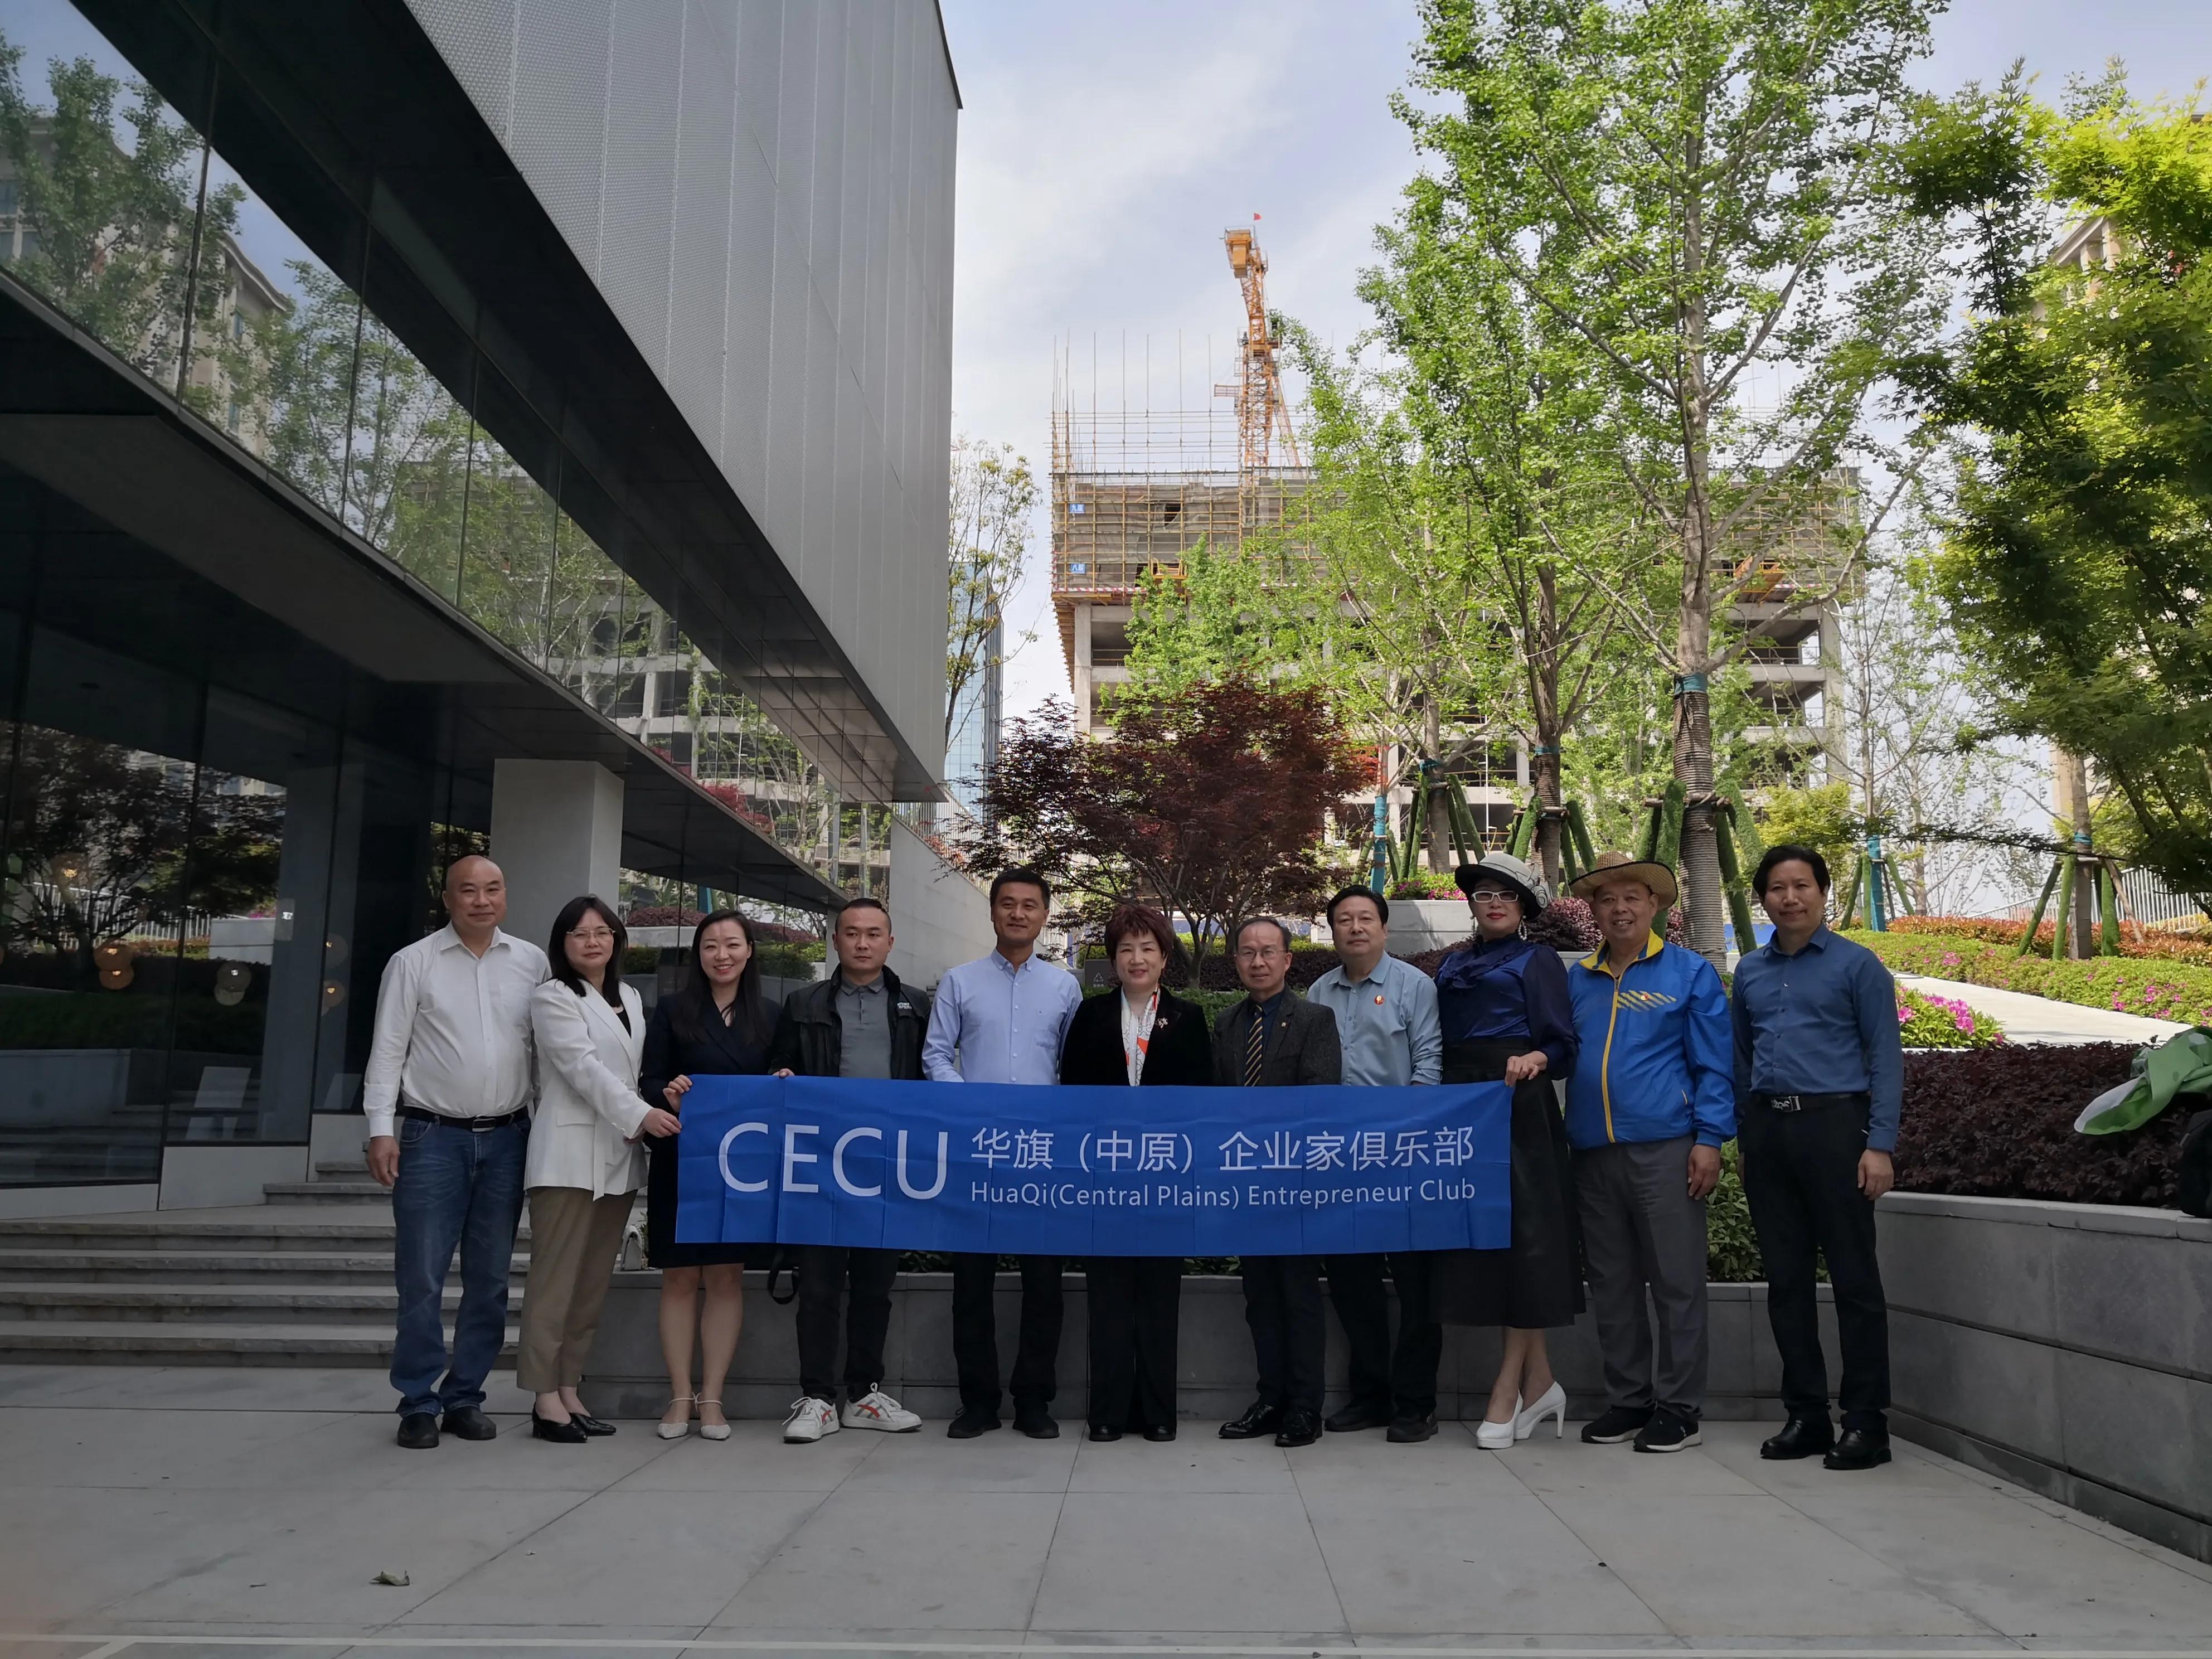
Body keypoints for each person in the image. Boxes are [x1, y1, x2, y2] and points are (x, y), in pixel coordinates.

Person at [364, 855, 549, 1449]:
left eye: (492, 889)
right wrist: (381, 1127)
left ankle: (465, 1396)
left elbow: (541, 1055)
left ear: (505, 895)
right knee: (420, 1276)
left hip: (509, 1137)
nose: (481, 900)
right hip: (432, 1137)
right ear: (448, 899)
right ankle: (418, 1401)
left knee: (490, 1279)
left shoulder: (532, 962)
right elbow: (387, 1050)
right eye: (468, 891)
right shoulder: (412, 962)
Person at [1733, 844, 1904, 1472]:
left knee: (1854, 1281)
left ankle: (1866, 1422)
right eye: (1776, 888)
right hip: (1769, 1134)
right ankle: (1806, 1415)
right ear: (1763, 899)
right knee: (1786, 1283)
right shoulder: (1749, 971)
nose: (1789, 898)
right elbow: (1741, 1059)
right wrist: (1745, 1138)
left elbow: (1885, 1058)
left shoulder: (1858, 966)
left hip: (1836, 1129)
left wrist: (1878, 1144)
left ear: (1823, 892)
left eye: (1801, 885)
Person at [1563, 851, 1734, 1454]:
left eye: (1632, 897)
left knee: (1675, 1282)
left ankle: (1680, 1409)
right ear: (1593, 910)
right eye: (1607, 899)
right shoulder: (1576, 979)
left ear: (1655, 905)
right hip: (1592, 1153)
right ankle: (1628, 1400)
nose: (1620, 909)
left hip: (1666, 1149)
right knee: (1611, 1284)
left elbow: (1715, 1064)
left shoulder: (1689, 973)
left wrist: (1709, 1140)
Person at [1428, 853, 1583, 1452]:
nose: (1494, 903)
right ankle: (1541, 1383)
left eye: (1507, 895)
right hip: (1461, 1106)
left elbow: (1562, 1044)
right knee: (1488, 1244)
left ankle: (1507, 1387)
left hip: (1517, 1104)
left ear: (1523, 907)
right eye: (1484, 894)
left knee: (1526, 1244)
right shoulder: (1451, 963)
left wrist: (1534, 1058)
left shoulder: (1537, 960)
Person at [923, 866, 1084, 1439]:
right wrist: (972, 1108)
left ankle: (1034, 1401)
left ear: (1044, 915)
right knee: (972, 1285)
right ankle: (979, 1403)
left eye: (1029, 905)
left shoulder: (1064, 987)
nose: (1018, 913)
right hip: (978, 1152)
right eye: (1008, 903)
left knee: (1043, 1284)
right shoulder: (959, 982)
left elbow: (1072, 1067)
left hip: (1041, 1154)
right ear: (992, 911)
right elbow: (936, 1056)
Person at [768, 896, 933, 1444]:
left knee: (874, 1287)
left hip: (887, 1166)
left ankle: (864, 1393)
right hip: (820, 1166)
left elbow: (928, 1080)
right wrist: (781, 1076)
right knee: (817, 1285)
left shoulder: (914, 1006)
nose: (862, 943)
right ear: (835, 940)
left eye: (873, 934)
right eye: (852, 933)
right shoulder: (802, 1003)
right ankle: (817, 1399)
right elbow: (777, 1069)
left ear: (890, 942)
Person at [518, 896, 680, 1443]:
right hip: (566, 1161)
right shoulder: (552, 997)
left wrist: (653, 1104)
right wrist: (642, 1115)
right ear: (562, 944)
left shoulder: (629, 996)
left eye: (602, 932)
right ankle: (543, 1396)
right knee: (554, 1282)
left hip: (616, 1157)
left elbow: (632, 1073)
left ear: (616, 939)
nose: (592, 942)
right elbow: (582, 1069)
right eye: (579, 934)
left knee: (589, 1285)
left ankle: (569, 1388)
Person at [1058, 903, 1213, 1443]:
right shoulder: (1091, 1015)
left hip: (1165, 1180)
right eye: (1126, 949)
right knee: (1107, 1298)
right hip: (1103, 1180)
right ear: (1113, 959)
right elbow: (1072, 1094)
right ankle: (1106, 1412)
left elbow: (1201, 1100)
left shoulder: (1188, 1018)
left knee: (1158, 1299)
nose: (1137, 958)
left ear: (1164, 958)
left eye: (1148, 948)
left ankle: (1158, 1412)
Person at [1304, 886, 1445, 1443]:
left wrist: (1402, 1136)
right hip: (1340, 1162)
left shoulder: (1415, 986)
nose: (1356, 928)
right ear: (1333, 931)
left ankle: (1416, 1403)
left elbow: (1429, 1064)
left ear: (1384, 929)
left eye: (1366, 918)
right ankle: (1369, 1396)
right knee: (1352, 1283)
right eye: (1344, 920)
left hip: (1403, 1158)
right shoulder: (1319, 991)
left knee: (1416, 1285)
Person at [639, 909, 775, 1442]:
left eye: (733, 944)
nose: (722, 955)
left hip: (741, 1168)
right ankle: (680, 1395)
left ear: (749, 951)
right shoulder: (672, 1010)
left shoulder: (770, 1014)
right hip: (682, 1159)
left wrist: (783, 1079)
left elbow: (783, 1077)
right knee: (678, 1278)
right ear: (698, 954)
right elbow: (649, 1079)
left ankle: (712, 1397)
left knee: (725, 1277)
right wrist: (667, 1095)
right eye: (711, 946)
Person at [1212, 916, 1342, 1449]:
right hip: (1245, 1185)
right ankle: (1270, 1400)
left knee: (1298, 1297)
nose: (1258, 961)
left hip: (1296, 1185)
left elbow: (1320, 1100)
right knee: (1260, 1297)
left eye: (1269, 952)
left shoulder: (1315, 1019)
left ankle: (1305, 1408)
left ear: (1288, 960)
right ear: (1236, 961)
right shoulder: (1225, 1023)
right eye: (1248, 952)